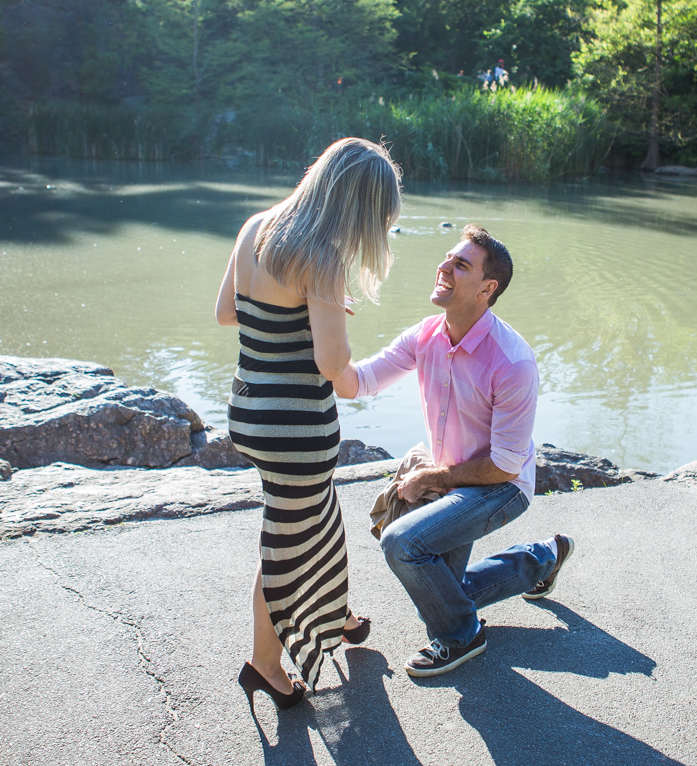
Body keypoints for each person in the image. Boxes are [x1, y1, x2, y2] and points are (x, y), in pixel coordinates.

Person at [336, 224, 573, 678]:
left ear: (487, 288)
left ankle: (461, 635)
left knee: (403, 544)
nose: (444, 266)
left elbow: (504, 466)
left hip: (500, 486)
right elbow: (358, 382)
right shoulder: (426, 335)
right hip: (456, 479)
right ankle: (543, 558)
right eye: (448, 257)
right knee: (448, 585)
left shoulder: (512, 362)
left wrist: (432, 479)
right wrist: (321, 326)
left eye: (460, 265)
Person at [215, 138, 402, 711]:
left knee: (317, 515)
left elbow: (228, 313)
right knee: (286, 542)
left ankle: (335, 614)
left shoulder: (256, 227)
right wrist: (331, 322)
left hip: (249, 408)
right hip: (294, 425)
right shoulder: (322, 256)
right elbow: (331, 363)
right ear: (357, 206)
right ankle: (264, 664)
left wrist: (306, 310)